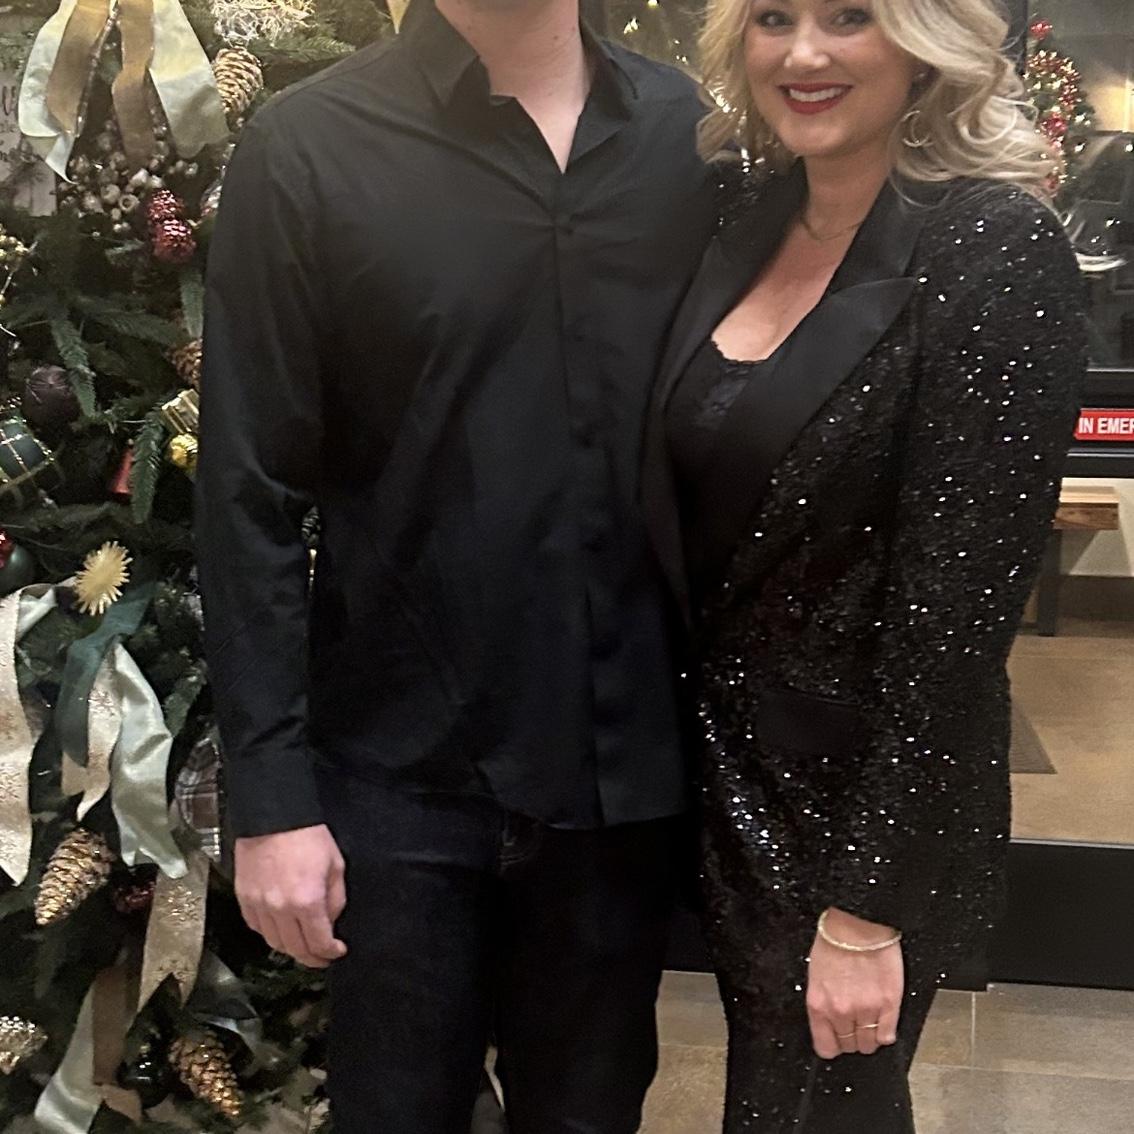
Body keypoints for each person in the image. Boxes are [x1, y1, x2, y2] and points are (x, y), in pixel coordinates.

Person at [194, 0, 716, 1130]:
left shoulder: (693, 137)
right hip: (401, 782)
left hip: (621, 778)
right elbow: (249, 493)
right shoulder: (309, 146)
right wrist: (271, 799)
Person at [641, 0, 1086, 1129]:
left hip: (858, 811)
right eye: (773, 17)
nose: (803, 52)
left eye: (850, 16)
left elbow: (958, 621)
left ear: (923, 44)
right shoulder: (743, 219)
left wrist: (866, 907)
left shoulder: (992, 248)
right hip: (713, 779)